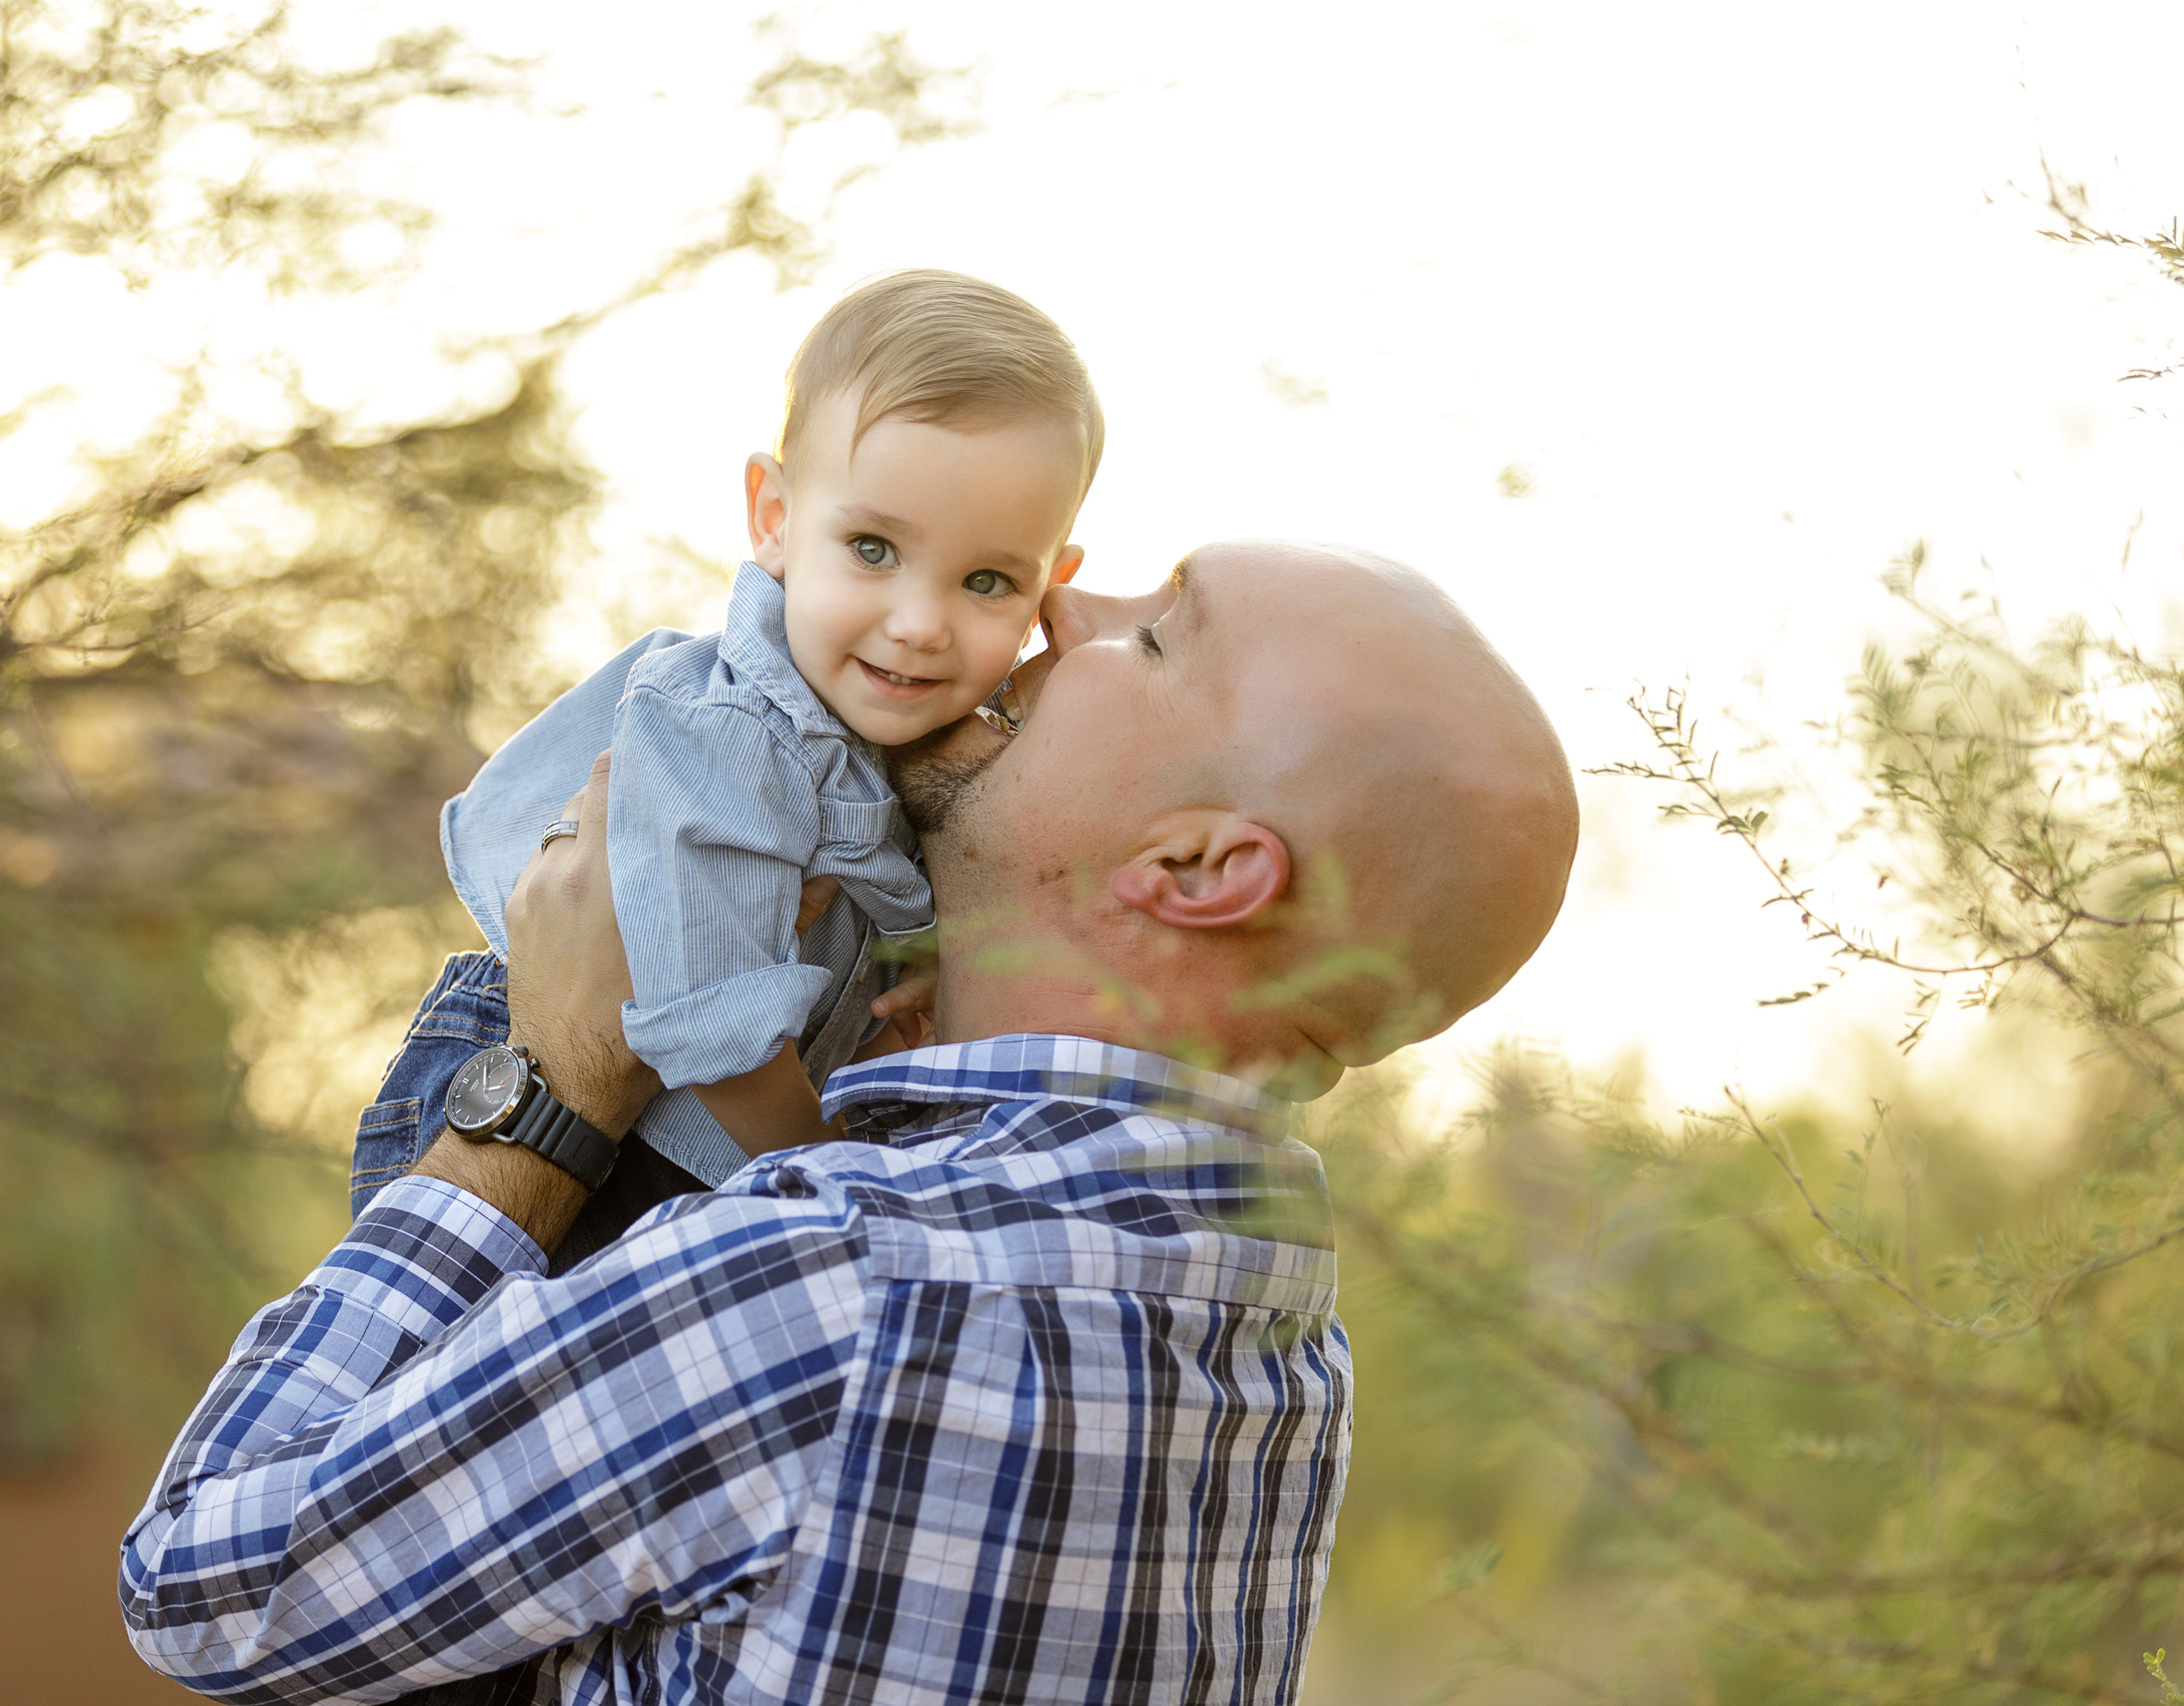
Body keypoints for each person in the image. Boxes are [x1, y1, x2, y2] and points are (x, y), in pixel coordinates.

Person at [120, 540, 1580, 1704]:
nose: (1065, 595)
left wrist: (554, 1087)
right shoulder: (1274, 1334)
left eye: (1155, 632)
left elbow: (207, 1585)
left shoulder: (850, 1278)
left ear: (1198, 867)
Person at [350, 271, 1098, 1220]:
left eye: (987, 580)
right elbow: (713, 1020)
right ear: (775, 519)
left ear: (1051, 590)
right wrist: (835, 1185)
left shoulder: (910, 738)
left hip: (697, 1128)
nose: (919, 623)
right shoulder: (730, 728)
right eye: (873, 548)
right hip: (559, 1097)